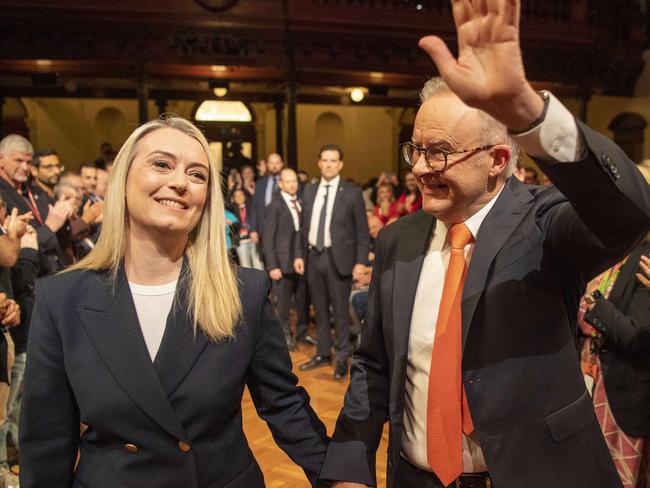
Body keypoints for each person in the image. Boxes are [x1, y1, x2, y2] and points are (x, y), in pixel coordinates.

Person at [320, 2, 650, 488]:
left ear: (497, 159)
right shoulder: (398, 238)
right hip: (417, 476)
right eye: (416, 149)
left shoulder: (544, 222)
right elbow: (374, 362)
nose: (420, 168)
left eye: (440, 152)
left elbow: (626, 213)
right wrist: (350, 461)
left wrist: (527, 112)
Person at [20, 117, 330, 487]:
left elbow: (283, 405)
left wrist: (337, 475)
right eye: (162, 164)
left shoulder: (242, 292)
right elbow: (46, 443)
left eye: (198, 175)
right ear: (123, 179)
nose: (181, 183)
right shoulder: (63, 299)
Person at [578, 234, 650, 487]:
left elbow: (634, 335)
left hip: (619, 390)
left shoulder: (645, 256)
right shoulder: (608, 255)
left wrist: (593, 302)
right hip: (585, 377)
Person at [299, 144, 369, 380]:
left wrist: (360, 262)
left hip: (338, 258)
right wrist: (299, 255)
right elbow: (303, 227)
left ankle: (341, 357)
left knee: (340, 312)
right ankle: (322, 353)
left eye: (333, 160)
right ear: (319, 162)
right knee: (318, 310)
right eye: (325, 160)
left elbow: (362, 231)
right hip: (312, 256)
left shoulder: (351, 192)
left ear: (340, 164)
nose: (328, 164)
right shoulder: (308, 190)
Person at [262, 168, 309, 352]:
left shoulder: (300, 202)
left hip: (298, 261)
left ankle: (302, 332)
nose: (292, 184)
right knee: (282, 304)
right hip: (281, 264)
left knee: (302, 300)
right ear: (280, 184)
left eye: (294, 181)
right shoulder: (275, 206)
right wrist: (272, 265)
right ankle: (285, 336)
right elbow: (267, 238)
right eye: (288, 181)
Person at [250, 152, 284, 244]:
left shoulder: (287, 182)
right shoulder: (260, 184)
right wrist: (253, 230)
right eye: (272, 163)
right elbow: (255, 208)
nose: (274, 166)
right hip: (264, 230)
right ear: (267, 165)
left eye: (277, 163)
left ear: (281, 164)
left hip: (284, 230)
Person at [231, 188, 264, 270]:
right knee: (245, 267)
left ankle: (261, 283)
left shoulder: (251, 208)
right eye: (236, 196)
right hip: (241, 242)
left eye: (241, 195)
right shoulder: (232, 210)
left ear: (245, 196)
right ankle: (250, 283)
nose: (239, 197)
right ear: (233, 198)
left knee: (258, 265)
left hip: (253, 240)